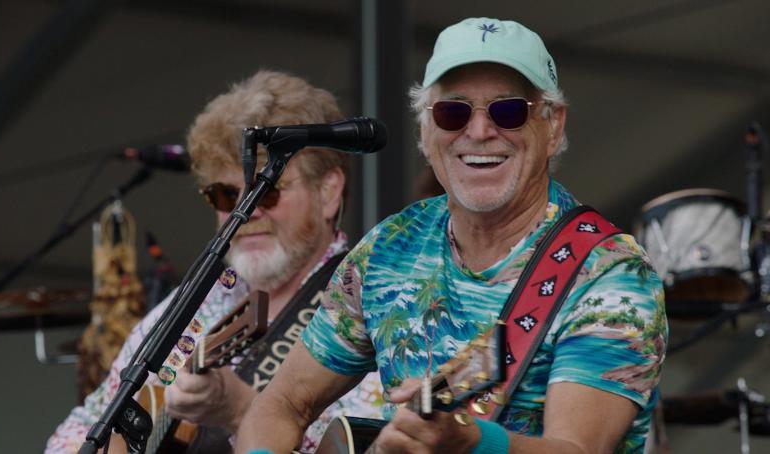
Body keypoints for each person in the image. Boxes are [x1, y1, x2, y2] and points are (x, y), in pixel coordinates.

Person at [236, 17, 668, 454]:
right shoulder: (390, 247)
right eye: (452, 111)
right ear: (425, 131)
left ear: (553, 125)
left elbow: (578, 450)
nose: (478, 132)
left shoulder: (610, 272)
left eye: (508, 110)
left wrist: (475, 443)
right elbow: (280, 403)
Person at [45, 70, 385, 453]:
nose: (247, 210)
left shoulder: (371, 301)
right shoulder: (197, 303)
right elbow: (83, 425)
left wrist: (242, 412)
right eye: (225, 195)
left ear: (328, 191)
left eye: (266, 192)